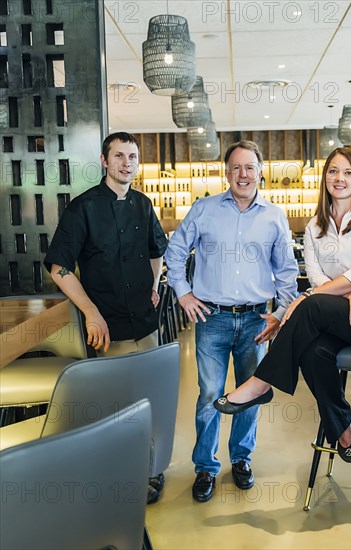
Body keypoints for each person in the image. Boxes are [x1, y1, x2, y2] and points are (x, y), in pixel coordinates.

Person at [214, 146, 351, 463]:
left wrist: (309, 298)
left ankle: (261, 383)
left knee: (310, 306)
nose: (339, 178)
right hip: (343, 314)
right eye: (332, 171)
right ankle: (343, 425)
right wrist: (350, 293)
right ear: (325, 177)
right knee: (313, 351)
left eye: (346, 171)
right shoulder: (316, 226)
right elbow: (316, 277)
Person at [165, 140, 298, 502]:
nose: (243, 174)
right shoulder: (204, 209)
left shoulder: (274, 216)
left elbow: (287, 271)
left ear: (260, 172)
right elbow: (175, 251)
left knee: (250, 394)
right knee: (209, 394)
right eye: (236, 167)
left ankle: (241, 459)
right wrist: (183, 293)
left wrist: (280, 313)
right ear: (226, 172)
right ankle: (205, 467)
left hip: (257, 320)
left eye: (249, 167)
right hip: (212, 318)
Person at [44, 131, 168, 501]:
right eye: (119, 156)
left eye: (132, 157)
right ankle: (119, 473)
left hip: (145, 322)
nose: (126, 163)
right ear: (104, 161)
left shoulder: (144, 205)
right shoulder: (82, 208)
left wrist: (155, 282)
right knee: (117, 404)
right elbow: (59, 267)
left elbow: (155, 250)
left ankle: (151, 470)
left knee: (151, 398)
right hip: (107, 326)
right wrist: (91, 311)